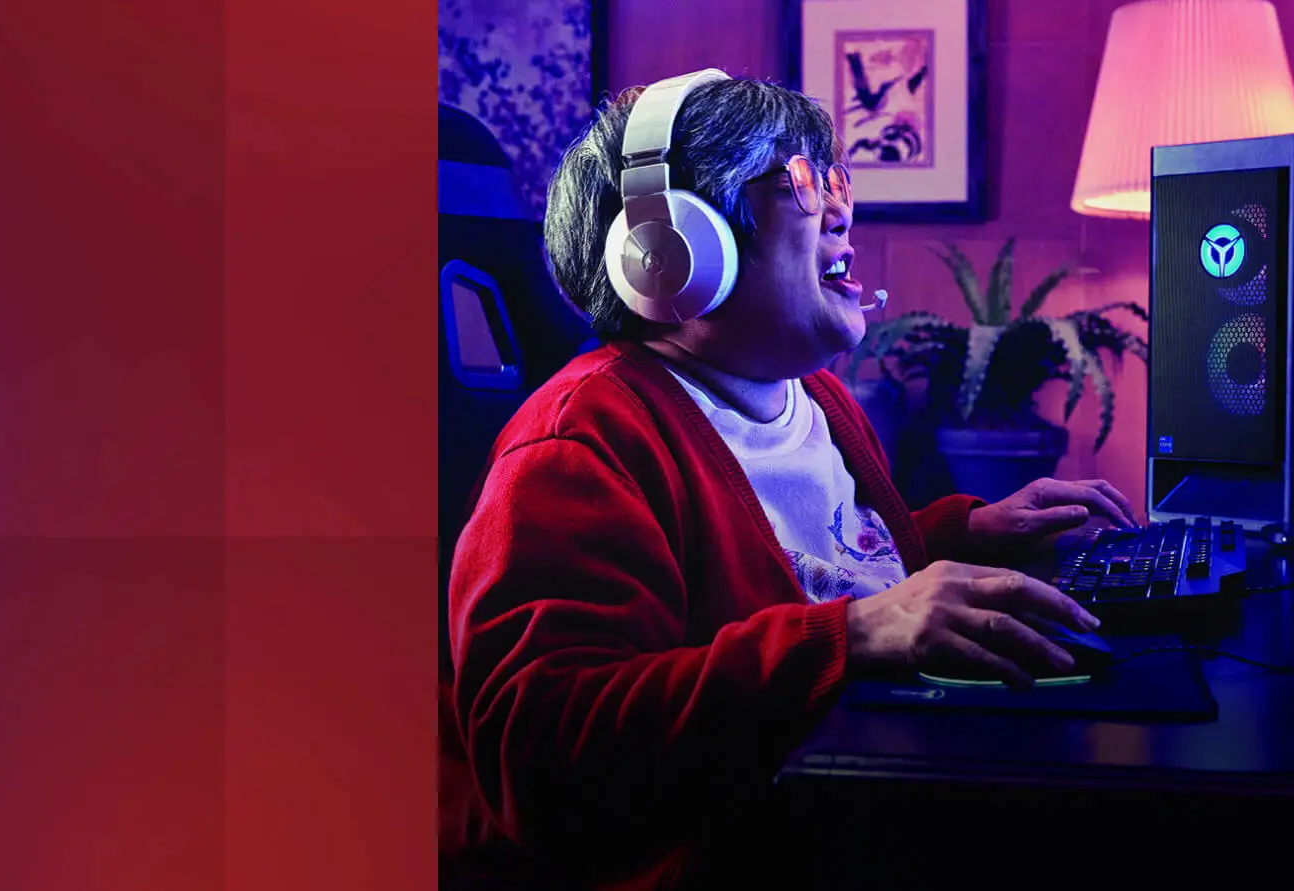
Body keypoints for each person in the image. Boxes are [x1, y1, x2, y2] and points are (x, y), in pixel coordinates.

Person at [438, 70, 1139, 890]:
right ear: (673, 250)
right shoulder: (583, 442)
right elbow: (543, 754)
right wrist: (851, 637)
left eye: (836, 178)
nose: (843, 209)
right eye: (802, 183)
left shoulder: (813, 398)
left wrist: (967, 532)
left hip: (837, 791)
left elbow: (823, 563)